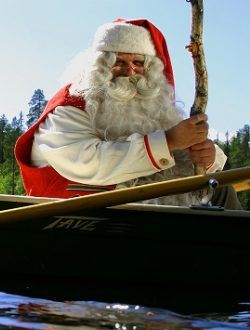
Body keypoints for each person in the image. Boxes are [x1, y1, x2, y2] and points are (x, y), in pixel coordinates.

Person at [15, 19, 240, 208]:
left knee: (222, 192)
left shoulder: (152, 106)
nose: (130, 71)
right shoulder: (70, 107)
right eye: (118, 61)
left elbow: (186, 150)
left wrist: (207, 157)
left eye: (138, 62)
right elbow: (86, 162)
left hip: (150, 209)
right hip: (85, 216)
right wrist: (169, 141)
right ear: (98, 65)